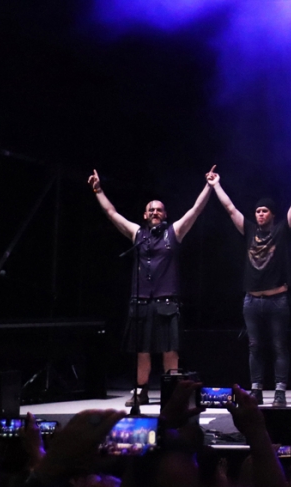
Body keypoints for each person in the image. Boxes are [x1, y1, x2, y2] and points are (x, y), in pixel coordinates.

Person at [87, 167, 213, 407]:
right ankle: (141, 391)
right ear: (145, 215)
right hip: (141, 301)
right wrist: (98, 190)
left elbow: (195, 210)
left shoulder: (174, 232)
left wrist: (208, 186)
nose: (155, 212)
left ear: (165, 214)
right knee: (141, 350)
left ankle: (172, 392)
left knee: (170, 350)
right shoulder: (137, 234)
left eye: (159, 210)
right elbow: (112, 213)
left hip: (167, 301)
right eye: (151, 210)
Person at [206, 166, 291, 407]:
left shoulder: (281, 230)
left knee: (279, 346)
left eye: (264, 211)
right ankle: (256, 390)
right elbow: (230, 208)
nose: (259, 214)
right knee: (254, 346)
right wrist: (216, 185)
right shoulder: (248, 230)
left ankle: (279, 392)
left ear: (272, 215)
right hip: (251, 300)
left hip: (277, 299)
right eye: (257, 211)